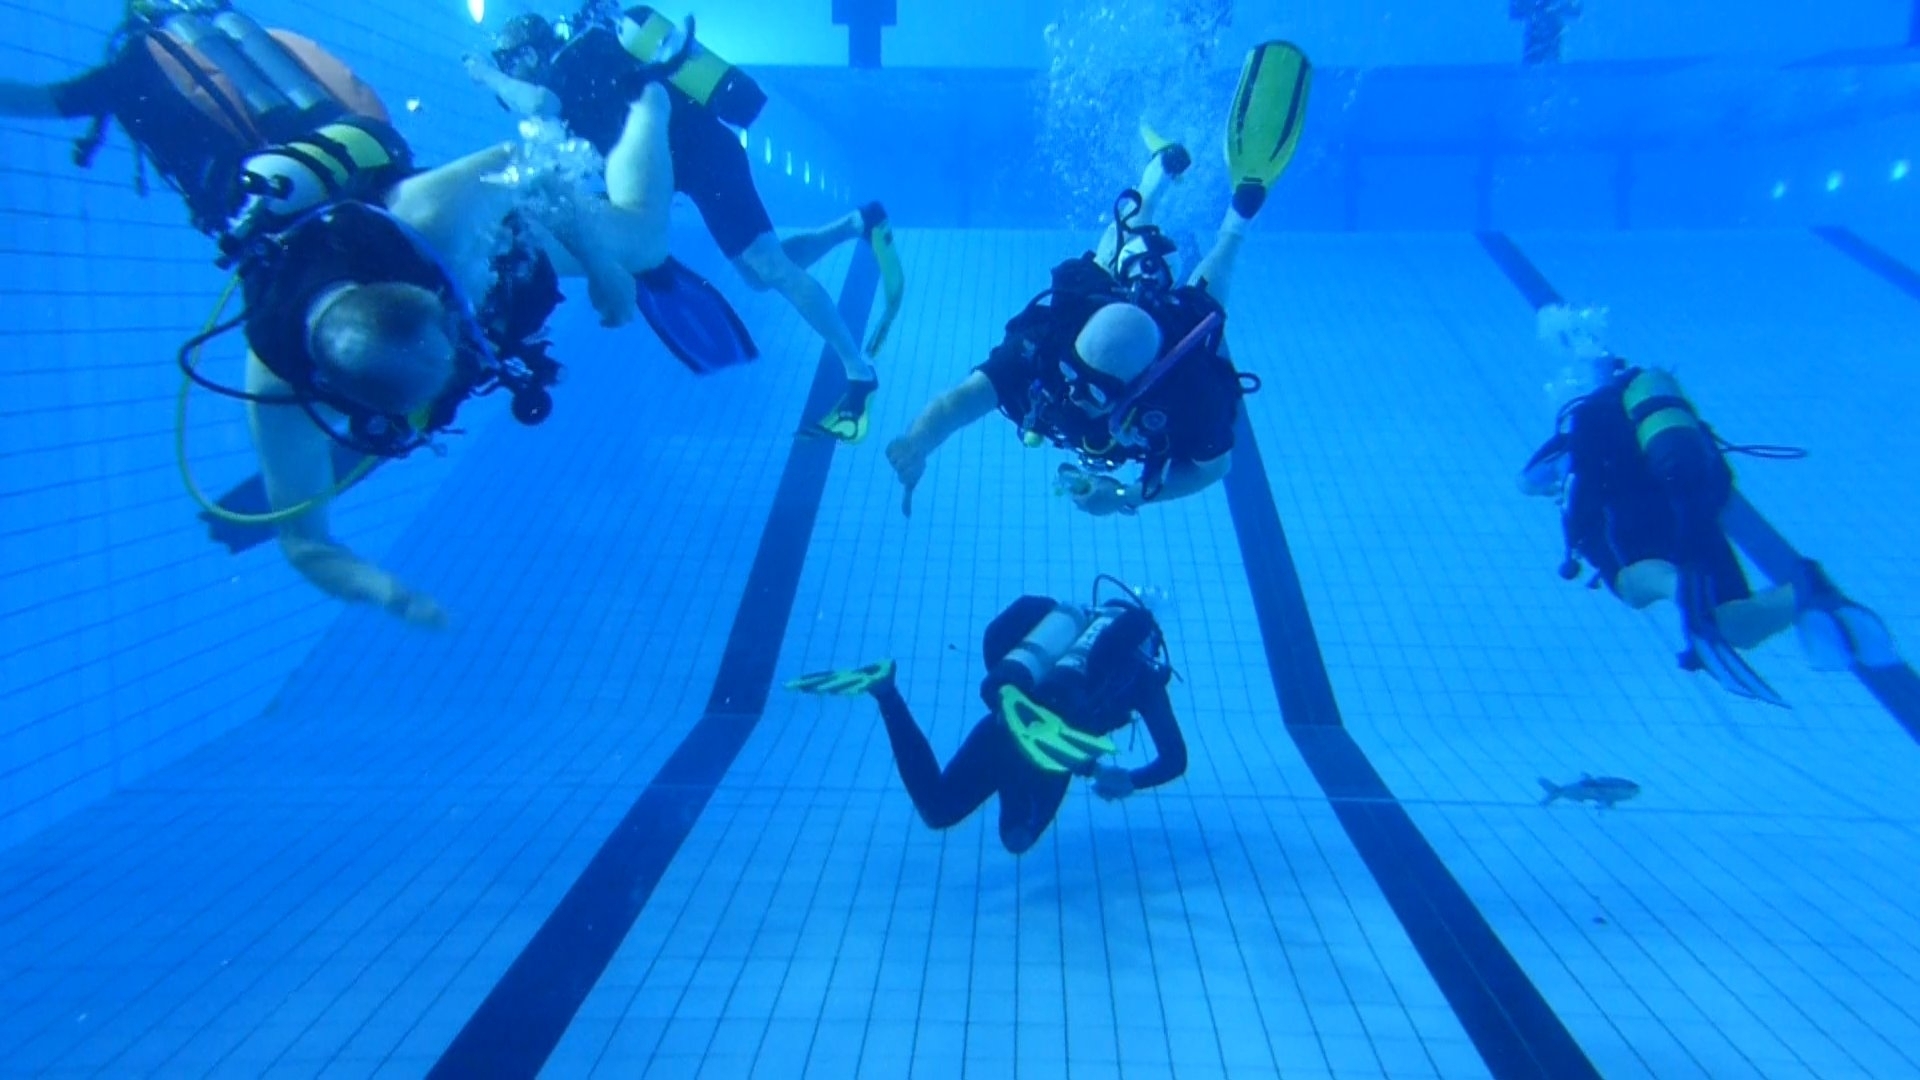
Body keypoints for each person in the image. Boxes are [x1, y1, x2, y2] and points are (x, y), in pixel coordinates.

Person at [186, 84, 685, 625]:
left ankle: (648, 100)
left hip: (454, 249)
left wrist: (600, 265)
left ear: (416, 296)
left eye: (449, 329)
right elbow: (305, 545)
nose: (462, 351)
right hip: (367, 338)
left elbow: (532, 162)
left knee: (645, 243)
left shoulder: (427, 218)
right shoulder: (280, 399)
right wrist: (390, 595)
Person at [882, 40, 1312, 517]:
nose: (1071, 392)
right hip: (1099, 302)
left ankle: (1237, 221)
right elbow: (960, 402)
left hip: (1162, 331)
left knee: (1203, 302)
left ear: (1139, 384)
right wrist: (918, 442)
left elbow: (1213, 468)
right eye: (1072, 374)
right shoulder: (1046, 351)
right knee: (1113, 252)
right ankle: (1157, 174)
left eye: (1093, 390)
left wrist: (1125, 496)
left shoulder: (1186, 394)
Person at [470, 8, 903, 441]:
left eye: (512, 65)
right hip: (700, 163)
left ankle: (859, 374)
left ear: (530, 53)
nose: (513, 76)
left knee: (771, 268)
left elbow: (538, 102)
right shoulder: (584, 59)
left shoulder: (573, 56)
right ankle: (858, 224)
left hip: (704, 159)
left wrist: (484, 75)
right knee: (759, 275)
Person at [1519, 309, 1897, 704]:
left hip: (1633, 518)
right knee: (1738, 626)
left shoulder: (1582, 421)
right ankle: (1803, 588)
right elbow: (1715, 470)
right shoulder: (1660, 412)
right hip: (1694, 504)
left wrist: (1557, 475)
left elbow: (1527, 481)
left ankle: (1679, 586)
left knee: (1633, 587)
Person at [785, 581, 1188, 855]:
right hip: (1051, 753)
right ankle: (1015, 768)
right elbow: (1174, 759)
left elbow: (1005, 636)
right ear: (1149, 644)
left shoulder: (1060, 635)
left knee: (938, 810)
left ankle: (886, 691)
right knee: (1017, 837)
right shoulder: (1142, 680)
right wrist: (1129, 780)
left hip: (1004, 720)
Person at [0, 0, 394, 236]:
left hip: (268, 206)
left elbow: (47, 102)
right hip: (357, 167)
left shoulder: (128, 70)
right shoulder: (267, 42)